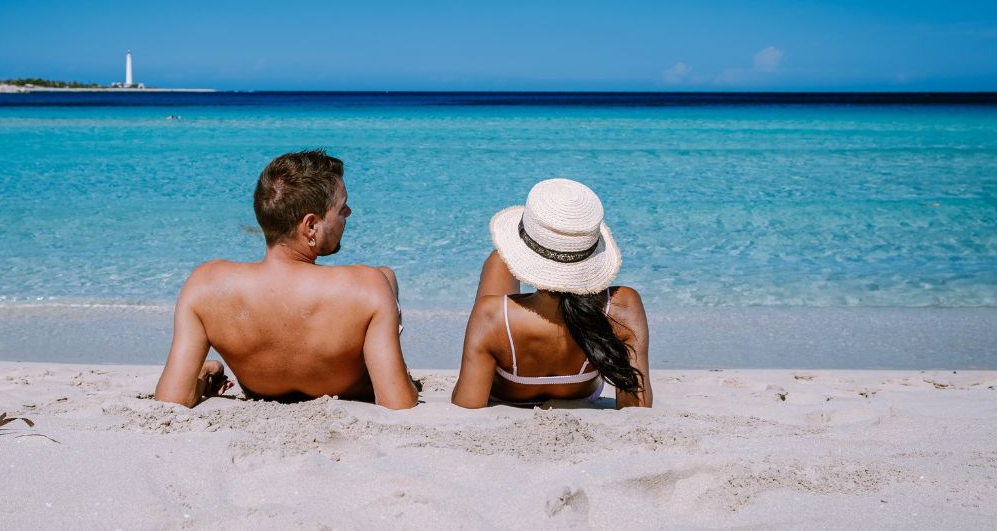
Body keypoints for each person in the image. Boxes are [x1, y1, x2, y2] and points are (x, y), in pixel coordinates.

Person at [154, 149, 418, 410]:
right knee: (387, 276)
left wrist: (199, 381)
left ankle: (205, 372)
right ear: (311, 226)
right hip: (346, 387)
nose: (348, 212)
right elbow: (397, 402)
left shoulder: (205, 286)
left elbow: (172, 399)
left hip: (262, 388)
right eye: (341, 208)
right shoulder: (368, 286)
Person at [451, 178, 652, 409]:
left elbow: (467, 403)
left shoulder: (491, 316)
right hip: (582, 391)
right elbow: (636, 407)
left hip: (507, 387)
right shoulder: (623, 306)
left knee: (499, 261)